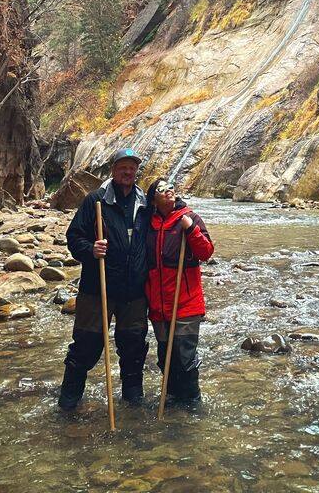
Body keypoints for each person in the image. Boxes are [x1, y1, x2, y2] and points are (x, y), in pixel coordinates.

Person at [58, 148, 149, 410]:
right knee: (86, 346)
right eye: (123, 166)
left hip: (134, 292)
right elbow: (74, 237)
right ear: (113, 169)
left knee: (133, 348)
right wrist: (90, 249)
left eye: (132, 167)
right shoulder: (95, 200)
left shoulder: (144, 204)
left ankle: (133, 402)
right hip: (98, 288)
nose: (127, 171)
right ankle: (68, 403)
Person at [145, 178, 214, 402]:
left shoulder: (190, 218)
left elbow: (206, 252)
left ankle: (192, 402)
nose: (169, 191)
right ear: (153, 198)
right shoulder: (148, 223)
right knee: (166, 357)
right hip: (158, 305)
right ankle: (173, 397)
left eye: (170, 187)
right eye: (161, 189)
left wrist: (191, 229)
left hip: (185, 302)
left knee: (185, 357)